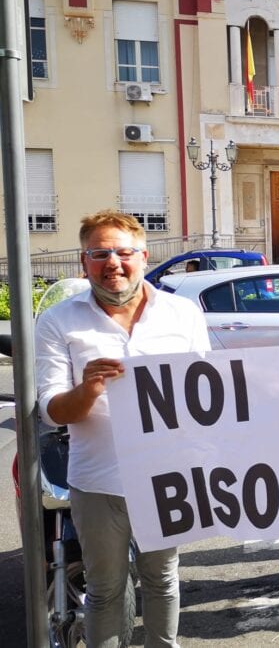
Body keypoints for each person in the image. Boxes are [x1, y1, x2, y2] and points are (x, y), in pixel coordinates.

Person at [35, 210, 211, 646]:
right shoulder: (58, 321)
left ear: (144, 257)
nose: (113, 262)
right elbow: (53, 412)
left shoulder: (183, 313)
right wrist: (89, 388)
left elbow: (207, 396)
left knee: (162, 580)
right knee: (105, 589)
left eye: (123, 252)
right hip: (98, 480)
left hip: (166, 476)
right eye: (100, 253)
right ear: (84, 262)